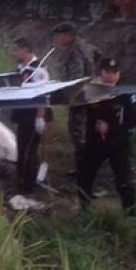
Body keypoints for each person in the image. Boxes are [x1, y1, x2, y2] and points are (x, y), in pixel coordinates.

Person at [78, 57, 136, 215]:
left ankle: (130, 213)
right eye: (107, 72)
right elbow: (78, 108)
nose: (111, 76)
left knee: (124, 180)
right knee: (85, 175)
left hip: (118, 142)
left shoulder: (126, 93)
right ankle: (84, 210)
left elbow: (132, 122)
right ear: (100, 72)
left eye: (114, 72)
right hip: (95, 141)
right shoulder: (92, 90)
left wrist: (110, 128)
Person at [51, 22, 99, 183]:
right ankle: (84, 168)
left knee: (78, 134)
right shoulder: (83, 46)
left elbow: (77, 79)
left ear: (67, 36)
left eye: (58, 36)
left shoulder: (75, 52)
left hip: (81, 99)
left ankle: (84, 171)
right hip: (90, 95)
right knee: (84, 133)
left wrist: (69, 97)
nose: (56, 40)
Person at [9, 38, 51, 195]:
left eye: (16, 50)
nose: (13, 54)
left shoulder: (38, 70)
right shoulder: (21, 68)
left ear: (25, 50)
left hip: (34, 115)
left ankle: (28, 186)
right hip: (23, 114)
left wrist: (40, 117)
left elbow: (42, 94)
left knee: (28, 151)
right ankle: (21, 181)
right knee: (21, 149)